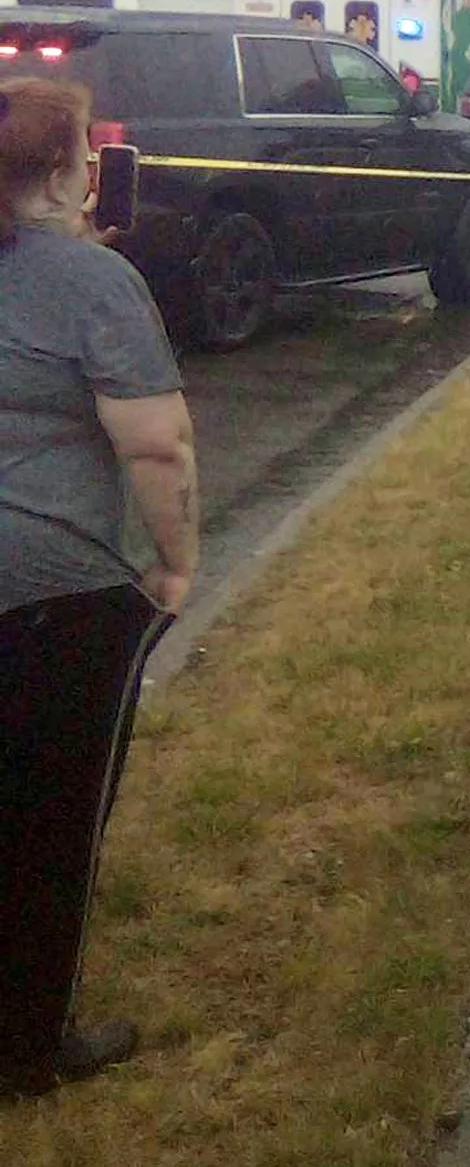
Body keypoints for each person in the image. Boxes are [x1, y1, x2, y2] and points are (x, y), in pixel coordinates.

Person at [1, 77, 199, 1095]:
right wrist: (176, 562)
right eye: (85, 153)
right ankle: (28, 1043)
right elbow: (157, 446)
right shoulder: (91, 282)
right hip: (52, 592)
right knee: (49, 823)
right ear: (56, 173)